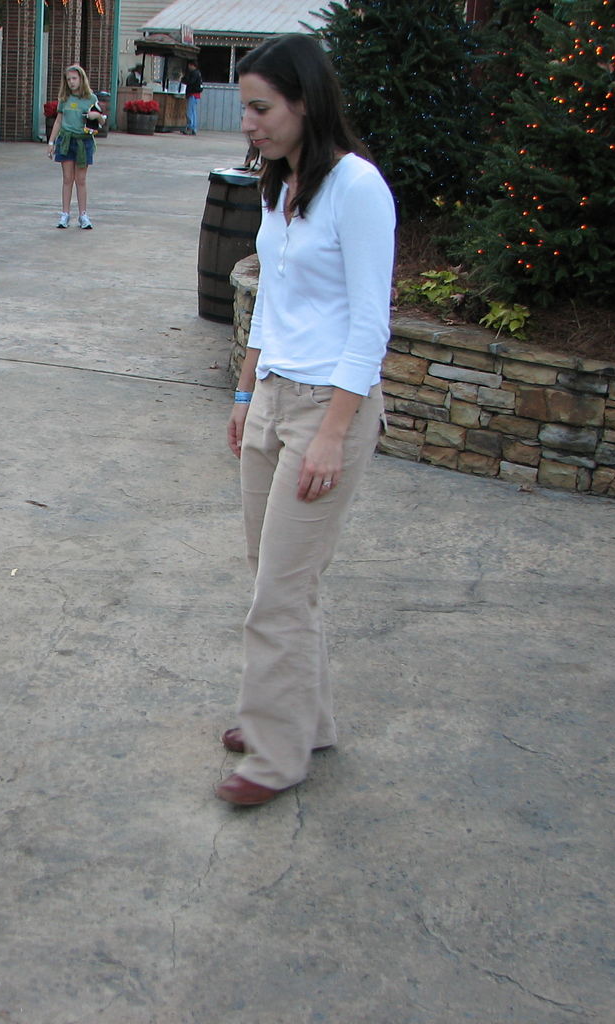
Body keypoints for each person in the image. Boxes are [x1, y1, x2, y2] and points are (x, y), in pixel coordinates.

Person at [218, 34, 396, 807]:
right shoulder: (279, 183)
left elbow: (369, 324)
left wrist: (331, 432)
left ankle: (274, 754)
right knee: (278, 577)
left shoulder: (356, 187)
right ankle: (301, 717)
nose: (248, 123)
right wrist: (243, 390)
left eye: (260, 108)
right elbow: (273, 295)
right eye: (244, 108)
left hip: (330, 408)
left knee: (278, 595)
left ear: (303, 102)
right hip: (273, 398)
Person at [47, 64, 106, 229]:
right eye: (69, 79)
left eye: (74, 78)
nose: (71, 82)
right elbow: (58, 121)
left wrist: (97, 116)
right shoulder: (64, 99)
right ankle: (65, 214)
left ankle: (83, 215)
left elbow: (102, 120)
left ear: (81, 79)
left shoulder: (91, 98)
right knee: (67, 179)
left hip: (83, 141)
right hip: (66, 140)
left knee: (81, 179)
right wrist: (51, 142)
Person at [180, 60, 204, 135]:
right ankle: (193, 128)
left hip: (192, 94)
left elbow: (191, 82)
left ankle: (190, 127)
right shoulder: (198, 73)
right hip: (196, 94)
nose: (188, 67)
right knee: (193, 111)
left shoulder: (194, 73)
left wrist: (183, 79)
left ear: (192, 65)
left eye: (189, 65)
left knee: (190, 111)